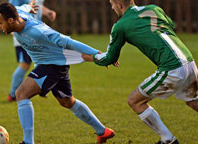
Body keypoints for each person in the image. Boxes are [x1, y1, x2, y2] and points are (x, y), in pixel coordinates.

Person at [0, 1, 114, 144]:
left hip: (51, 66)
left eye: (0, 23)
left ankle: (28, 142)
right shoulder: (18, 12)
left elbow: (69, 42)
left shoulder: (38, 32)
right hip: (52, 65)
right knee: (67, 101)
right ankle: (103, 131)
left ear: (11, 20)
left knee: (21, 93)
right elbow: (23, 7)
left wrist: (98, 54)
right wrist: (30, 7)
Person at [82, 0, 198, 144]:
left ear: (119, 4)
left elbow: (109, 58)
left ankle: (168, 140)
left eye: (112, 3)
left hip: (172, 67)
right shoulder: (154, 8)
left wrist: (88, 57)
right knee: (193, 101)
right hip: (189, 61)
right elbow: (170, 26)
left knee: (135, 101)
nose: (111, 7)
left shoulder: (120, 25)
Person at [8, 0, 56, 102]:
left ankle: (42, 88)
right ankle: (12, 94)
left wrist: (47, 12)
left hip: (36, 34)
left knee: (43, 61)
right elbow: (10, 12)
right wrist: (13, 30)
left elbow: (36, 6)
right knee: (25, 64)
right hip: (23, 35)